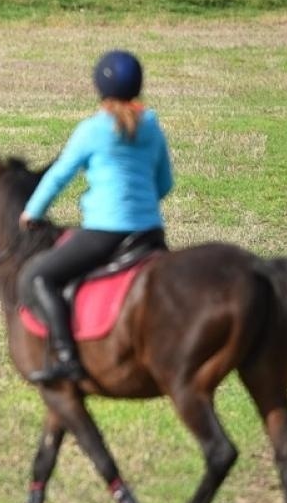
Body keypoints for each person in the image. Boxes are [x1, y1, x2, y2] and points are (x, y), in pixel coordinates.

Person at [17, 50, 174, 384]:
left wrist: (33, 211)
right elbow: (164, 184)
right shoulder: (151, 126)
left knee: (38, 276)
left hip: (105, 233)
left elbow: (59, 176)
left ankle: (67, 358)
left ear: (99, 87)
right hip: (150, 233)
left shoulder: (92, 130)